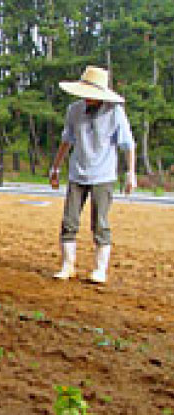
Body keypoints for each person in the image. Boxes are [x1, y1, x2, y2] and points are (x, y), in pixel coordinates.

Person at [50, 65, 136, 284]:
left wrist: (131, 172)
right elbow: (67, 140)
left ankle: (100, 269)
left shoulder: (114, 112)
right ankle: (67, 265)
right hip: (77, 172)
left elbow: (127, 144)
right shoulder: (74, 110)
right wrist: (55, 167)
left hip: (103, 175)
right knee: (69, 221)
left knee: (100, 223)